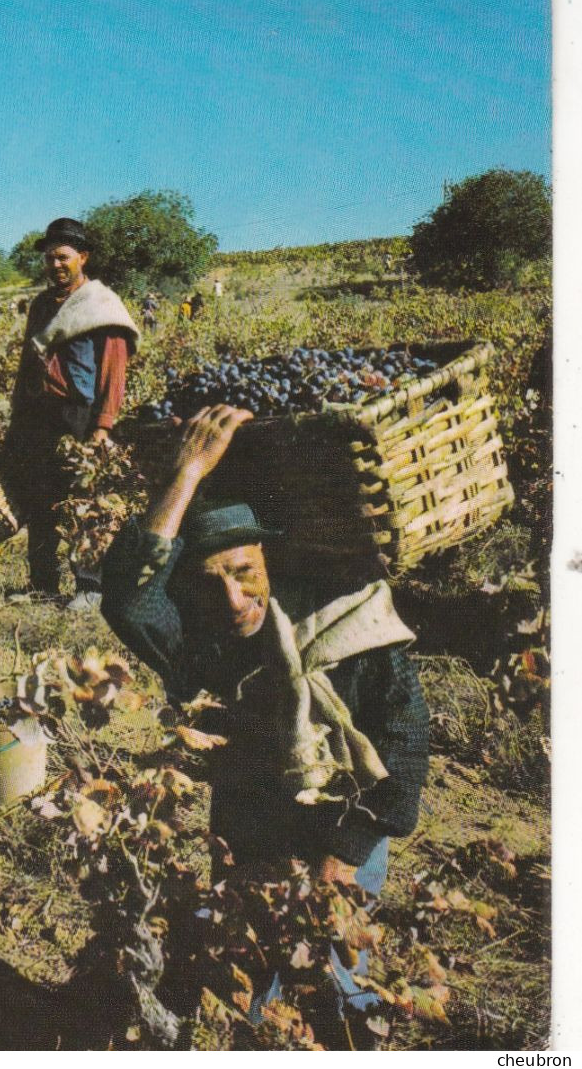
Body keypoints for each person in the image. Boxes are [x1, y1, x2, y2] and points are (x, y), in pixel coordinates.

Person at [99, 405, 428, 1025]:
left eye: (245, 574)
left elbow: (405, 742)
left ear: (270, 561)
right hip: (249, 823)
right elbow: (123, 597)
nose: (232, 598)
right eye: (209, 581)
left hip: (346, 819)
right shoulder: (200, 637)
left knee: (337, 970)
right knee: (249, 974)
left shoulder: (347, 623)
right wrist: (186, 472)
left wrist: (348, 852)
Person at [0, 217, 139, 603]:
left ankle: (89, 587)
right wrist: (18, 417)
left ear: (82, 258)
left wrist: (102, 427)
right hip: (39, 416)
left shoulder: (100, 305)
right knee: (40, 501)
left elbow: (113, 370)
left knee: (83, 501)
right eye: (49, 258)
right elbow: (29, 362)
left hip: (81, 415)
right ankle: (42, 584)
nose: (55, 265)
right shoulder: (42, 306)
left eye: (63, 257)